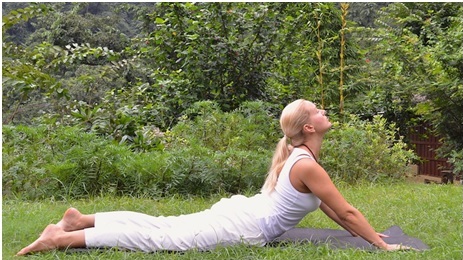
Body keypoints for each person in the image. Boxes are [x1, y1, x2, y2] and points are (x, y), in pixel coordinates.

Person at [16, 99, 408, 256]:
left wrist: (370, 237)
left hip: (245, 215)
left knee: (164, 226)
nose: (324, 111)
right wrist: (380, 245)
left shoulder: (302, 158)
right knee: (162, 237)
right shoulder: (306, 163)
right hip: (247, 223)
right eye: (317, 110)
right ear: (309, 128)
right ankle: (64, 237)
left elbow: (335, 212)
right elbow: (348, 211)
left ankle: (82, 220)